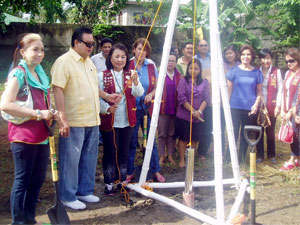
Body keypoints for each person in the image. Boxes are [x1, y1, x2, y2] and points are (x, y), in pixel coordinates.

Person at [0, 33, 55, 224]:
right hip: (23, 137)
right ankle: (19, 222)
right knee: (22, 181)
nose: (40, 53)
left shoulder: (39, 72)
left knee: (37, 181)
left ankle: (30, 219)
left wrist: (50, 113)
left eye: (42, 49)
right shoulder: (19, 73)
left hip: (42, 135)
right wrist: (38, 113)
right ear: (23, 52)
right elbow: (5, 104)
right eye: (35, 49)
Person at [51, 27, 103, 210]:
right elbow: (57, 89)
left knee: (89, 157)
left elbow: (92, 87)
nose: (91, 47)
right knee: (70, 160)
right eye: (88, 44)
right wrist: (62, 118)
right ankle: (67, 195)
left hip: (92, 119)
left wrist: (107, 96)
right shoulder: (63, 62)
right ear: (76, 43)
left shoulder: (89, 62)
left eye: (92, 44)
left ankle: (84, 190)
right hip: (74, 120)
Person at [98, 43, 144, 195]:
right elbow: (96, 97)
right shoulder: (102, 75)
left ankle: (122, 180)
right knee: (110, 151)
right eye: (116, 56)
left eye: (123, 57)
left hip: (127, 120)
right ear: (110, 58)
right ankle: (109, 182)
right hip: (110, 121)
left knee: (124, 151)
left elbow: (139, 93)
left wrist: (136, 81)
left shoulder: (131, 74)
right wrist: (106, 108)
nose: (120, 59)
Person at [127, 38, 165, 183]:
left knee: (150, 141)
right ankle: (130, 171)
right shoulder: (128, 64)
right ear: (134, 50)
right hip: (131, 109)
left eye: (145, 49)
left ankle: (155, 170)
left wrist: (150, 94)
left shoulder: (151, 66)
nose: (141, 52)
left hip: (147, 109)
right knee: (132, 141)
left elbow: (157, 86)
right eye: (139, 49)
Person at [226, 45, 263, 164]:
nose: (245, 57)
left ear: (252, 57)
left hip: (250, 108)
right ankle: (229, 158)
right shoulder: (234, 71)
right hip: (235, 106)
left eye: (248, 54)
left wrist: (256, 104)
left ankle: (241, 159)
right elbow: (229, 89)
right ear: (240, 56)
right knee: (233, 132)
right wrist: (226, 105)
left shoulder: (257, 72)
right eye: (243, 54)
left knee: (245, 134)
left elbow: (259, 91)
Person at [174, 59, 209, 168]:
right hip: (184, 116)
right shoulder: (183, 81)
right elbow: (181, 98)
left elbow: (206, 99)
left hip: (198, 116)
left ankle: (190, 159)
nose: (193, 71)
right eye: (191, 68)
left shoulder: (204, 82)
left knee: (194, 139)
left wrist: (199, 112)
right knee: (183, 139)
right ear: (188, 69)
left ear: (200, 70)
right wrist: (193, 111)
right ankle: (182, 160)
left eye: (196, 69)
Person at [256, 48, 282, 164]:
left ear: (271, 59)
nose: (266, 61)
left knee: (270, 132)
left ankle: (271, 155)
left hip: (272, 106)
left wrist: (278, 106)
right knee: (259, 131)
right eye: (263, 58)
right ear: (260, 59)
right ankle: (260, 155)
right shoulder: (256, 71)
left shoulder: (276, 72)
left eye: (268, 58)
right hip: (259, 106)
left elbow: (281, 89)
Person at [158, 52, 182, 165]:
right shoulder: (160, 74)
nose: (170, 63)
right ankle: (162, 155)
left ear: (176, 62)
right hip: (163, 109)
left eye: (172, 61)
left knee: (171, 134)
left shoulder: (179, 76)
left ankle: (170, 155)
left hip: (175, 109)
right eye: (168, 60)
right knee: (162, 134)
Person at [280, 48, 300, 171]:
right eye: (287, 61)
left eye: (291, 60)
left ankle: (293, 160)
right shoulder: (288, 73)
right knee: (293, 135)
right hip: (288, 109)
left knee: (297, 135)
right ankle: (295, 159)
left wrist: (292, 112)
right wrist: (283, 109)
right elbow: (284, 92)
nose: (289, 63)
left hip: (297, 110)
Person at [195, 39, 212, 160]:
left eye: (205, 45)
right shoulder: (194, 59)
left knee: (207, 125)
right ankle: (191, 150)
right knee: (196, 125)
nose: (203, 47)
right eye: (201, 45)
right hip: (196, 95)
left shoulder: (213, 59)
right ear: (198, 47)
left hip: (209, 96)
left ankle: (203, 152)